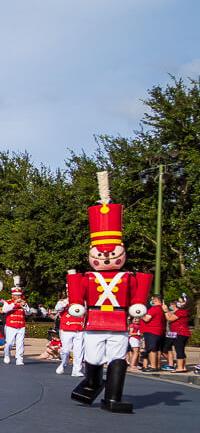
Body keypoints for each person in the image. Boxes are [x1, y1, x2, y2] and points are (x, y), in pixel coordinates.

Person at [66, 173, 152, 413]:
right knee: (92, 357)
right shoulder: (87, 277)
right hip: (94, 321)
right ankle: (92, 382)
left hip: (118, 322)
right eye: (101, 255)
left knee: (117, 359)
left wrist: (138, 305)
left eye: (113, 255)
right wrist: (76, 304)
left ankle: (113, 396)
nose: (106, 259)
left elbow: (136, 296)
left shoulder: (128, 277)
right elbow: (78, 296)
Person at [0, 282, 32, 366]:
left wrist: (25, 306)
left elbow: (29, 312)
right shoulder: (8, 302)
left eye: (19, 295)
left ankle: (19, 358)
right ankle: (7, 354)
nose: (18, 297)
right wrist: (14, 303)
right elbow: (5, 310)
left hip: (21, 326)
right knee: (9, 343)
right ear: (12, 295)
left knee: (20, 343)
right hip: (11, 326)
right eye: (16, 295)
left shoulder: (23, 303)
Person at [162, 296, 190, 373]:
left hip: (180, 333)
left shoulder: (181, 311)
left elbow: (170, 319)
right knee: (181, 350)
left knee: (179, 350)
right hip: (181, 333)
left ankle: (180, 367)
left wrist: (166, 311)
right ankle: (183, 367)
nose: (178, 303)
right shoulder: (183, 311)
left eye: (181, 302)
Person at [140, 294, 166, 372]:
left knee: (151, 349)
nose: (151, 301)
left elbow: (146, 319)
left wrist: (139, 314)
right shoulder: (162, 308)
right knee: (157, 349)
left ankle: (153, 366)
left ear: (156, 300)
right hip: (159, 331)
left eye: (152, 299)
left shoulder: (154, 309)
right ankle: (156, 365)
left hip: (151, 331)